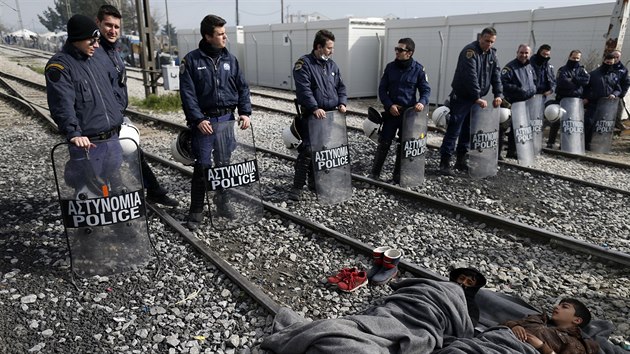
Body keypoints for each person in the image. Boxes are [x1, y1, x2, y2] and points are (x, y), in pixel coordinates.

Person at [95, 4, 178, 207]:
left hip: (118, 119)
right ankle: (115, 208)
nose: (113, 30)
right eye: (108, 25)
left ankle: (154, 191)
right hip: (103, 123)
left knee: (135, 155)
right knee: (110, 168)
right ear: (97, 23)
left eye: (116, 26)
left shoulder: (114, 52)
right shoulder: (95, 54)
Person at [179, 14, 252, 230]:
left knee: (224, 164)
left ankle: (223, 202)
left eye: (224, 33)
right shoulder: (191, 61)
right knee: (202, 166)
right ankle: (196, 210)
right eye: (220, 34)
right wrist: (198, 118)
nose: (225, 38)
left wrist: (245, 112)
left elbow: (243, 88)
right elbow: (188, 94)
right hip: (205, 122)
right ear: (207, 36)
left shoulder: (231, 60)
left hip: (226, 120)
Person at [45, 14, 124, 190]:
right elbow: (61, 104)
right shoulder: (60, 66)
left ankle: (121, 217)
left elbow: (114, 89)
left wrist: (118, 114)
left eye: (97, 40)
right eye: (91, 41)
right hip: (89, 144)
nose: (96, 45)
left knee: (117, 190)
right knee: (89, 193)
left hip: (112, 138)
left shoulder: (96, 59)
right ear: (76, 39)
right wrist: (73, 133)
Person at [290, 29, 347, 200]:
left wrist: (342, 102)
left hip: (329, 116)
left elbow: (341, 87)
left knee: (321, 149)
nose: (332, 51)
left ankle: (315, 182)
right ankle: (297, 188)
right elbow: (303, 89)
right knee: (308, 149)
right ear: (318, 47)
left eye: (332, 48)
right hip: (312, 116)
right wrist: (314, 107)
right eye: (329, 48)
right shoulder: (304, 64)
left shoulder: (332, 65)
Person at [439, 27, 503, 175]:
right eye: (486, 40)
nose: (489, 44)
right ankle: (444, 163)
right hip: (462, 98)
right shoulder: (470, 52)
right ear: (480, 37)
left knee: (468, 131)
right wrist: (477, 97)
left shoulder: (492, 55)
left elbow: (496, 75)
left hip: (475, 100)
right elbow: (470, 76)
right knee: (454, 130)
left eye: (491, 42)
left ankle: (461, 161)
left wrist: (498, 94)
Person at [370, 38, 431, 183]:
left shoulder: (418, 69)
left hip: (408, 115)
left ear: (409, 53)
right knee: (384, 142)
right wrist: (389, 105)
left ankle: (397, 176)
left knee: (403, 145)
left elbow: (426, 90)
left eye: (400, 50)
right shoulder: (390, 67)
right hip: (392, 113)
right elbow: (382, 89)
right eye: (396, 49)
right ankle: (375, 173)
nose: (397, 52)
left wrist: (421, 103)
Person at [502, 298, 600, 354]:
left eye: (564, 307)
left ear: (577, 320)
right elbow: (504, 323)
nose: (556, 307)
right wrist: (515, 326)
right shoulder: (538, 319)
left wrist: (541, 346)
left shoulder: (574, 343)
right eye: (558, 305)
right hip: (499, 338)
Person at [547, 50, 590, 149]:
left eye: (577, 58)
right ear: (569, 57)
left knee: (570, 123)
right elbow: (562, 82)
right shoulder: (563, 69)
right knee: (557, 120)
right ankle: (550, 142)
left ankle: (565, 144)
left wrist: (573, 79)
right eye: (573, 58)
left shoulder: (582, 69)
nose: (575, 60)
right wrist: (577, 83)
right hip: (563, 98)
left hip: (575, 101)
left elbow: (586, 80)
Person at [500, 44, 537, 159]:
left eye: (526, 53)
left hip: (523, 103)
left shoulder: (530, 67)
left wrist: (532, 91)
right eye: (521, 52)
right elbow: (503, 84)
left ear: (529, 54)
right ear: (517, 52)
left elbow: (534, 82)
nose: (524, 55)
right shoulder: (510, 67)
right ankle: (497, 154)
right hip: (510, 103)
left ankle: (512, 152)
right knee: (503, 129)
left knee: (517, 128)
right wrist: (519, 90)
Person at [583, 53, 622, 150]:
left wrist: (614, 94)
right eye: (607, 62)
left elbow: (618, 89)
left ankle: (596, 144)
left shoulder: (614, 75)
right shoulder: (593, 74)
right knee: (589, 123)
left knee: (601, 125)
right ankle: (584, 143)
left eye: (611, 63)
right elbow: (586, 88)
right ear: (604, 61)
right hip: (593, 103)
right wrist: (586, 98)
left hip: (607, 105)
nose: (609, 64)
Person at [610, 50, 630, 130]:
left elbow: (626, 83)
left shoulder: (623, 69)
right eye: (613, 57)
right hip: (607, 93)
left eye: (617, 57)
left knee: (619, 110)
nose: (615, 59)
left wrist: (622, 94)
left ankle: (617, 125)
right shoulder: (607, 67)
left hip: (618, 94)